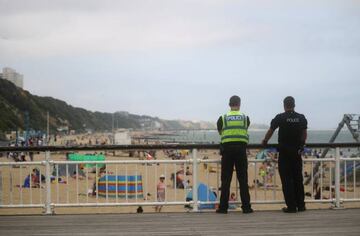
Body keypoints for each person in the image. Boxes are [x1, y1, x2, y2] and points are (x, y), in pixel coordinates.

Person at [262, 96, 307, 213]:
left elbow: (271, 130)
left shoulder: (280, 117)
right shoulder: (301, 118)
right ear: (294, 105)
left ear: (284, 105)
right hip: (297, 153)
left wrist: (265, 141)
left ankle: (291, 206)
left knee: (286, 181)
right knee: (298, 179)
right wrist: (302, 145)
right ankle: (301, 205)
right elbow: (304, 133)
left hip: (284, 153)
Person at [216, 95, 253, 214]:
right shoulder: (245, 118)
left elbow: (220, 132)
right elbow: (245, 128)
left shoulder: (223, 118)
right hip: (241, 150)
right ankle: (246, 207)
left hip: (227, 150)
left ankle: (223, 208)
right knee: (243, 180)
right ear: (239, 104)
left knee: (226, 180)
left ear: (229, 104)